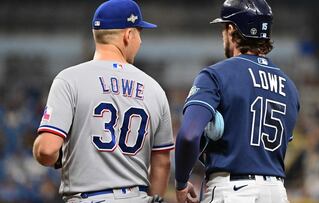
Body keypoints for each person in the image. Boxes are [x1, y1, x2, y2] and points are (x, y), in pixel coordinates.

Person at [32, 0, 174, 202]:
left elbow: (46, 151)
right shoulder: (154, 88)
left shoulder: (69, 79)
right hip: (138, 197)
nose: (140, 41)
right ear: (128, 35)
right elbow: (162, 163)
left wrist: (53, 153)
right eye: (139, 33)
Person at [175, 0, 300, 202]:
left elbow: (189, 135)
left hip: (233, 189)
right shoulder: (290, 87)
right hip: (277, 191)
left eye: (224, 27)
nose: (222, 34)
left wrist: (181, 182)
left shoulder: (216, 74)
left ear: (232, 29)